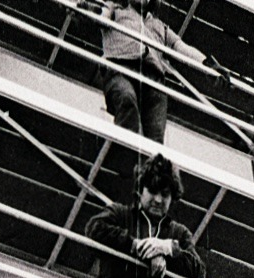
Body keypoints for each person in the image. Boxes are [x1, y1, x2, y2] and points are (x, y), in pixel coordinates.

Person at [97, 0, 229, 164]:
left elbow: (180, 46)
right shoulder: (115, 11)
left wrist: (208, 66)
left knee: (156, 139)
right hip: (121, 67)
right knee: (126, 99)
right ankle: (126, 157)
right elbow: (98, 17)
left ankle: (150, 175)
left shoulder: (160, 26)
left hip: (154, 80)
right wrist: (87, 8)